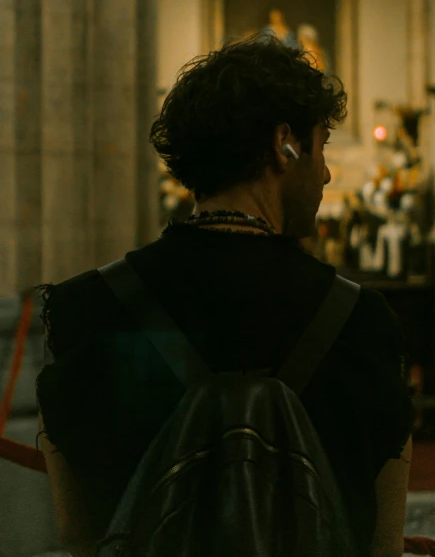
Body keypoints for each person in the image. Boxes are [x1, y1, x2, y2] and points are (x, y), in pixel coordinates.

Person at [35, 34, 414, 557]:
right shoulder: (361, 323)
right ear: (285, 144)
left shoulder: (85, 311)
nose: (325, 172)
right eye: (321, 144)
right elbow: (382, 545)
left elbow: (80, 536)